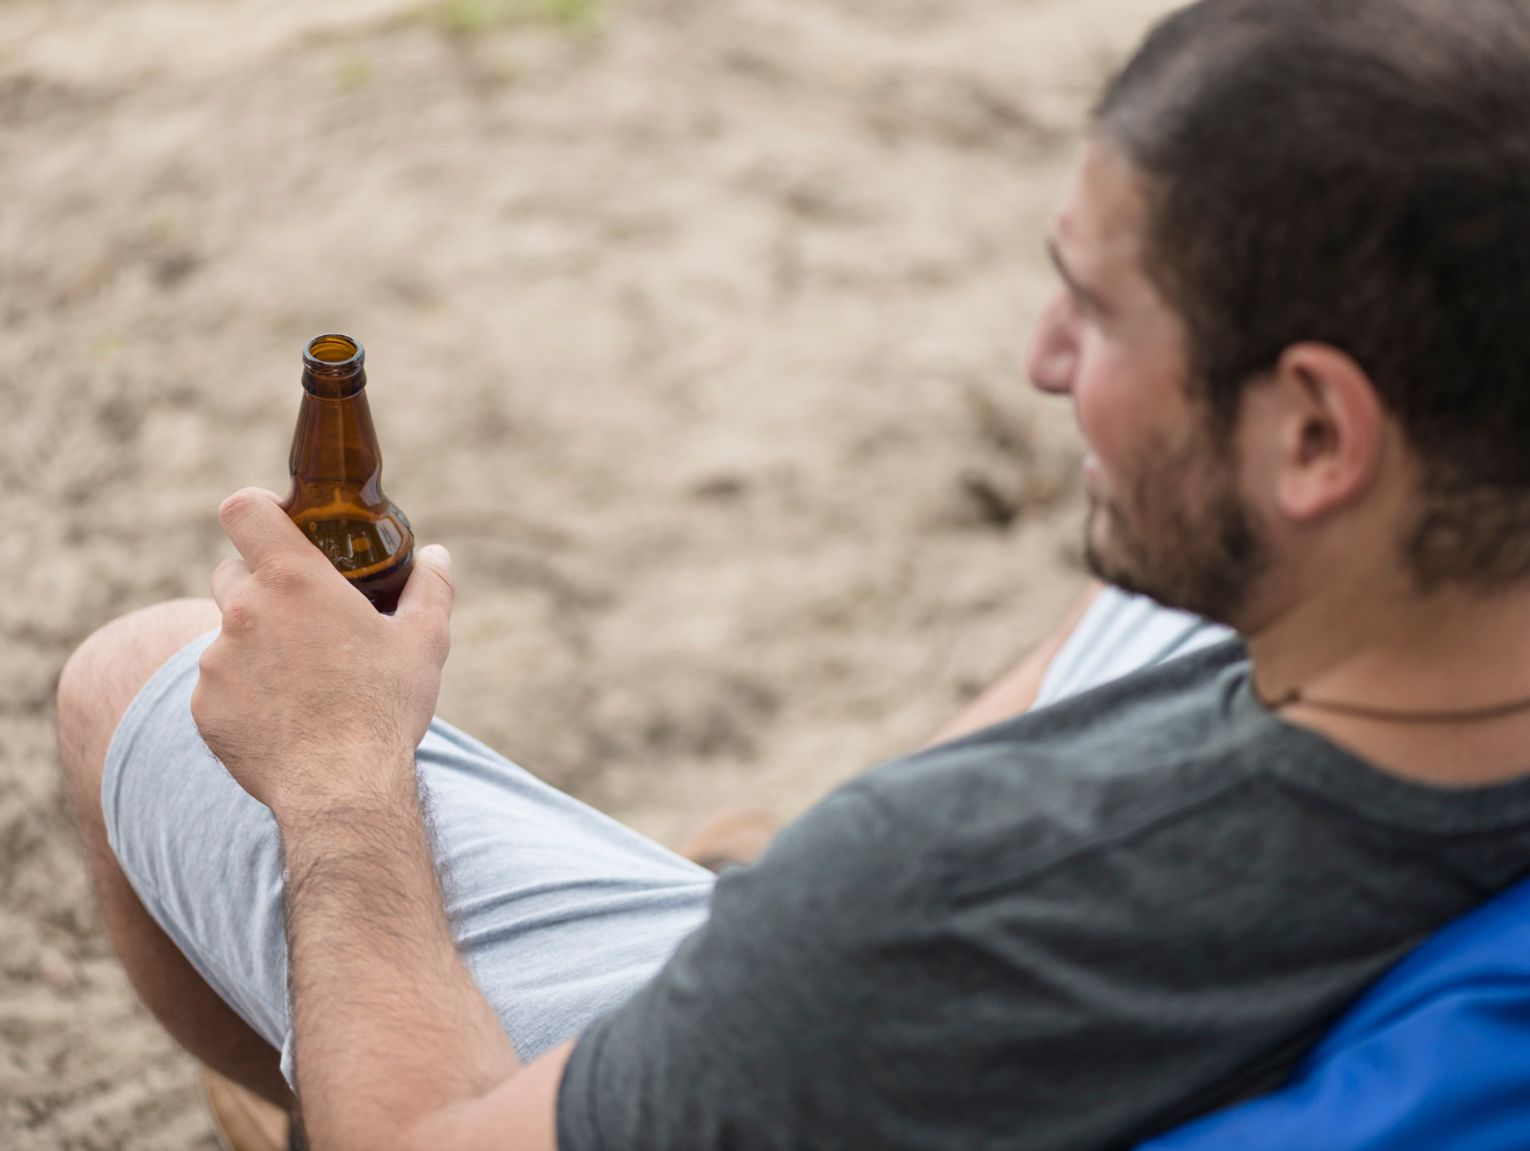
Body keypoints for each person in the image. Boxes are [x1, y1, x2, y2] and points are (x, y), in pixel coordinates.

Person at [54, 0, 1530, 1147]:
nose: (1040, 362)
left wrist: (334, 775)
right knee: (1151, 560)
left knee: (144, 681)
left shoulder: (946, 899)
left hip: (827, 1013)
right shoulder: (1421, 588)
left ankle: (351, 1050)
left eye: (1096, 309)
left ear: (1319, 429)